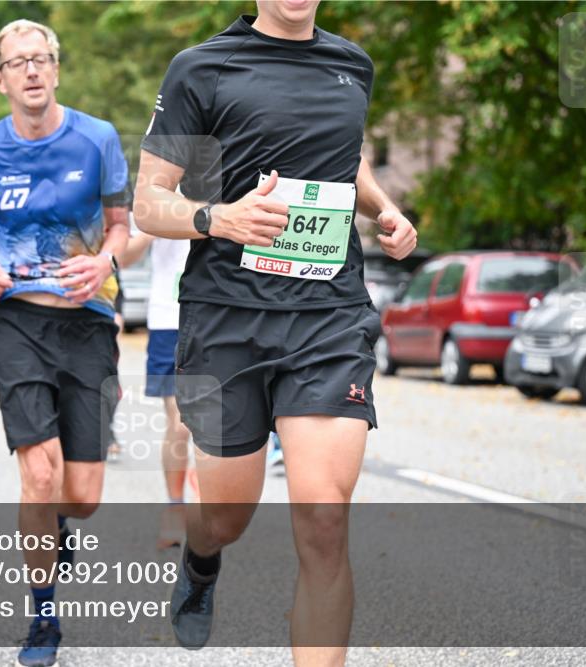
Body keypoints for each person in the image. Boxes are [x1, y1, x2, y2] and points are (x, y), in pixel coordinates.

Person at [134, 2, 418, 664]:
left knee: (323, 518)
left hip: (328, 316)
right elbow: (149, 201)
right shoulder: (200, 69)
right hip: (228, 315)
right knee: (227, 515)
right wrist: (218, 217)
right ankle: (200, 561)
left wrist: (386, 208)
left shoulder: (352, 65)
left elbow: (348, 158)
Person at [0, 19, 130, 667]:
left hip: (87, 325)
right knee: (39, 471)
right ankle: (43, 614)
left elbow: (121, 225)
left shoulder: (99, 139)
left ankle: (55, 524)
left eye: (42, 59)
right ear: (0, 78)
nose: (32, 70)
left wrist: (105, 263)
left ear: (57, 69)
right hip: (18, 322)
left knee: (80, 495)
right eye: (18, 62)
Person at [119, 228, 194, 548]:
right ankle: (176, 508)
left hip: (224, 316)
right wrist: (154, 224)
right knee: (181, 423)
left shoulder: (230, 179)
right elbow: (123, 257)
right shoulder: (159, 182)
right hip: (170, 321)